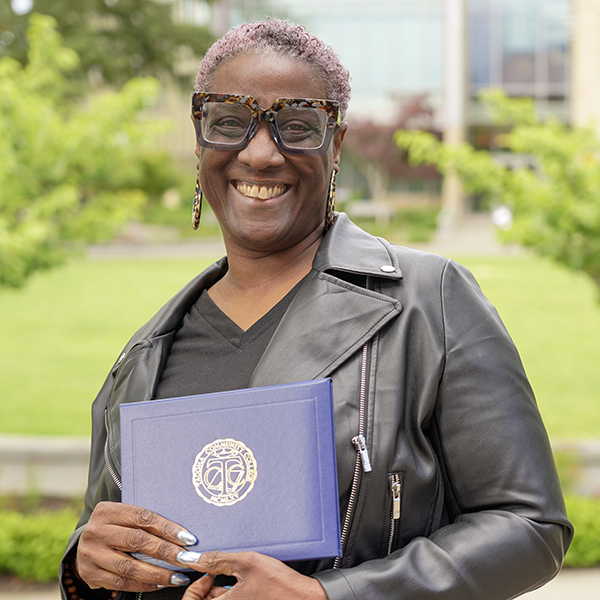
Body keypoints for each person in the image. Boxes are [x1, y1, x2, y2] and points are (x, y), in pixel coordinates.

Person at [60, 18, 572, 600]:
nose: (260, 153)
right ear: (201, 141)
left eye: (297, 127)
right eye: (230, 123)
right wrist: (85, 564)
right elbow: (110, 548)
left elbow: (529, 527)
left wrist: (333, 596)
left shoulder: (431, 302)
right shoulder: (144, 354)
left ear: (336, 147)